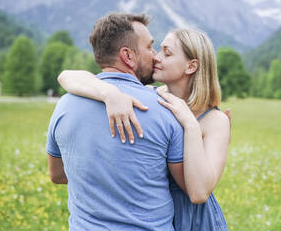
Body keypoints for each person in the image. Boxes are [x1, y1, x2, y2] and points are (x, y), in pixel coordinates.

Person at [58, 27, 231, 230]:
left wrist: (190, 124)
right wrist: (108, 93)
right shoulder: (152, 96)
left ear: (191, 66)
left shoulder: (215, 120)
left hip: (193, 221)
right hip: (151, 215)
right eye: (158, 50)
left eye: (167, 53)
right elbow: (65, 77)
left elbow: (199, 193)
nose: (156, 57)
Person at [46, 13, 188, 230]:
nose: (155, 56)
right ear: (128, 56)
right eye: (150, 47)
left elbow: (57, 174)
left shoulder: (63, 106)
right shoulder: (165, 108)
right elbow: (187, 185)